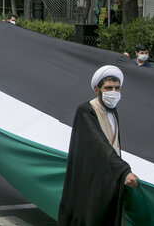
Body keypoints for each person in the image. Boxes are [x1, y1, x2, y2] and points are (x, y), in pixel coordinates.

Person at [58, 65, 139, 226]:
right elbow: (98, 144)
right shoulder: (86, 110)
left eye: (117, 88)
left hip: (109, 175)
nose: (114, 92)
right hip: (91, 178)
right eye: (109, 88)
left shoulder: (113, 111)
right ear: (97, 89)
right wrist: (123, 170)